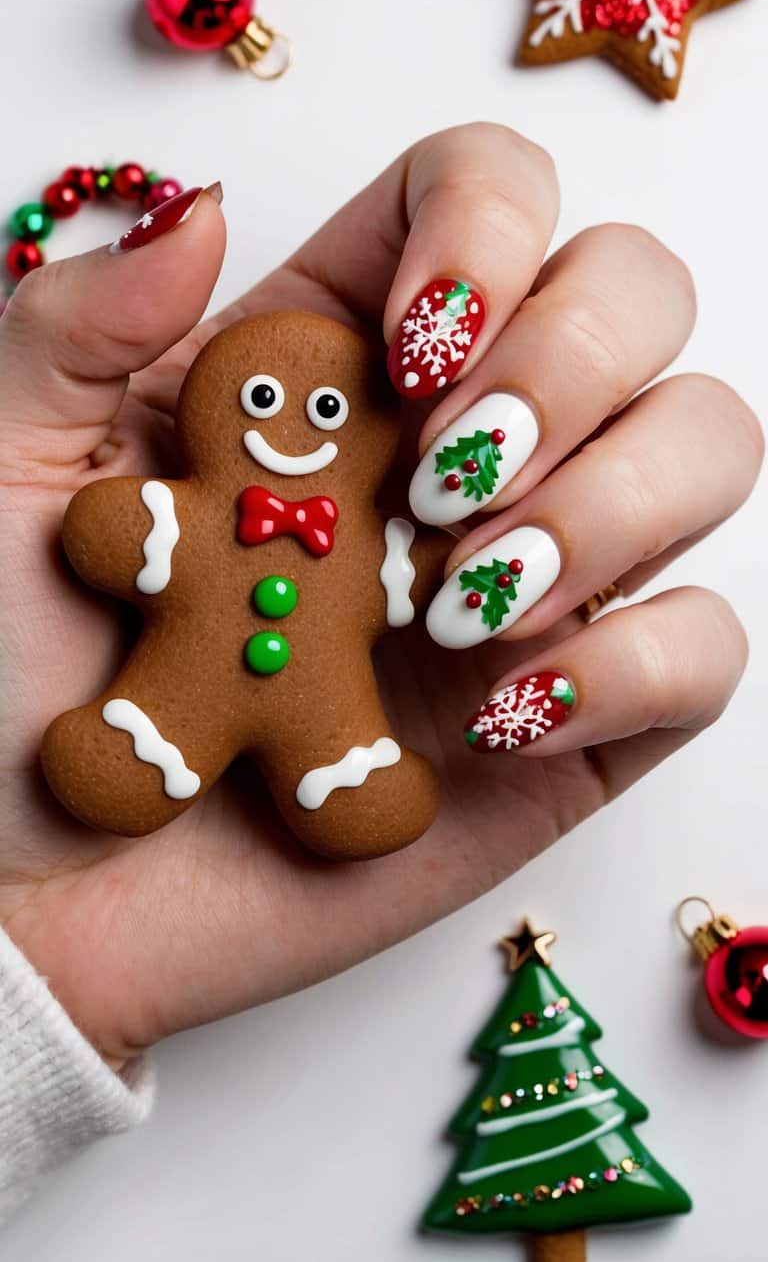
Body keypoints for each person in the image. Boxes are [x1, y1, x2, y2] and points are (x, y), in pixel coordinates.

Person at [0, 123, 760, 1220]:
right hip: (170, 705)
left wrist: (490, 577)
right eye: (265, 402)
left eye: (322, 411)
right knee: (144, 739)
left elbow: (416, 576)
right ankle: (154, 752)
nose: (296, 425)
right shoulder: (194, 510)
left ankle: (345, 773)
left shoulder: (372, 547)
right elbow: (121, 530)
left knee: (345, 749)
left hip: (341, 709)